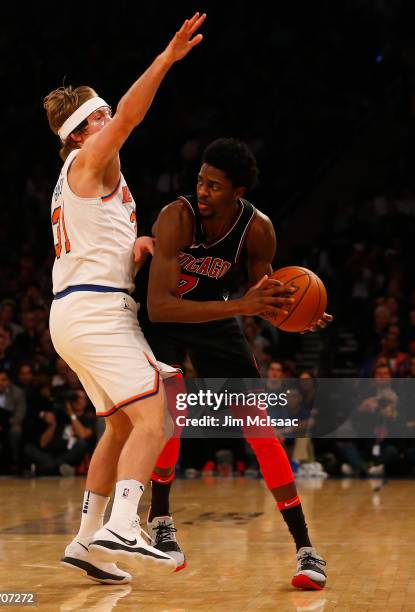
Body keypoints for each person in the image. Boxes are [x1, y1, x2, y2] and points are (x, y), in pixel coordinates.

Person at [43, 13, 281, 586]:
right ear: (79, 133)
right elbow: (129, 114)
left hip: (82, 309)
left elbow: (96, 239)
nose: (111, 122)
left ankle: (87, 540)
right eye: (98, 118)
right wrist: (166, 59)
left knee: (123, 428)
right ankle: (126, 525)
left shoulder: (87, 177)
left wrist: (138, 244)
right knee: (160, 412)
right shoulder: (88, 159)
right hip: (96, 311)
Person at [141, 138, 332, 590]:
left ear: (238, 192)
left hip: (214, 316)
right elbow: (159, 307)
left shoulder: (257, 229)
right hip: (166, 319)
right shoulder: (175, 217)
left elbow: (262, 296)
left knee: (259, 426)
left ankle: (306, 548)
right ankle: (160, 518)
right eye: (200, 182)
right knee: (173, 410)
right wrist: (241, 307)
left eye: (214, 186)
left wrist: (293, 312)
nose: (202, 192)